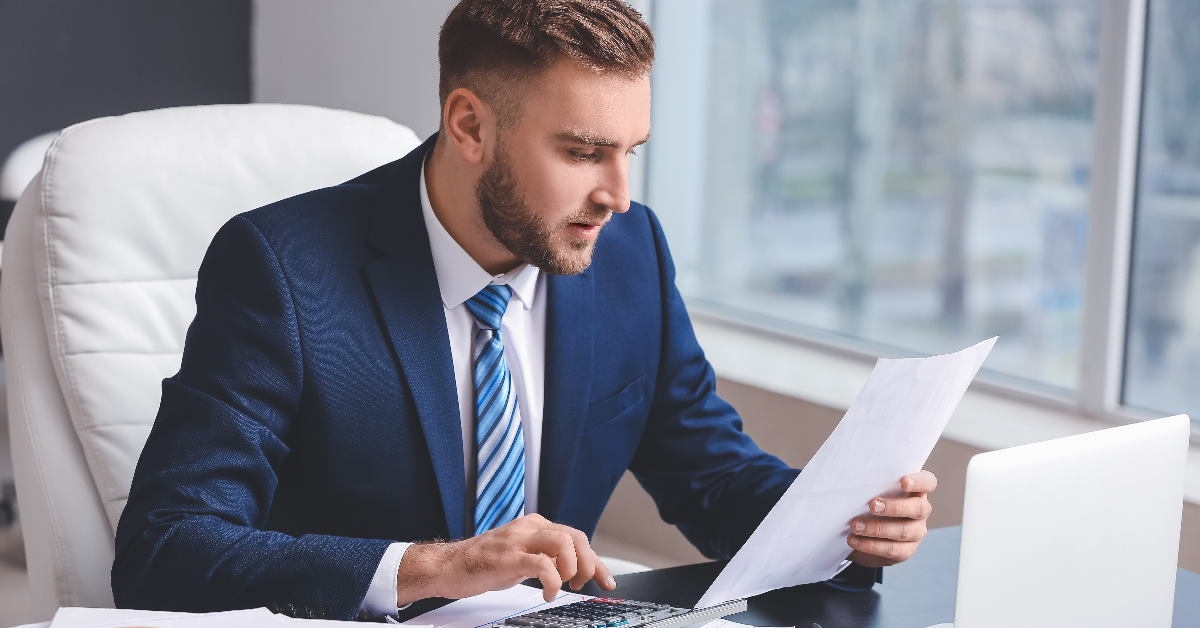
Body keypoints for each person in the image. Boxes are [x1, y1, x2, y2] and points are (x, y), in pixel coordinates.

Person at [112, 0, 937, 621]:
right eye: (582, 152)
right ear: (469, 124)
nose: (617, 194)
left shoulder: (627, 253)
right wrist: (436, 568)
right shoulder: (284, 271)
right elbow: (167, 550)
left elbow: (711, 473)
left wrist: (843, 522)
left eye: (631, 153)